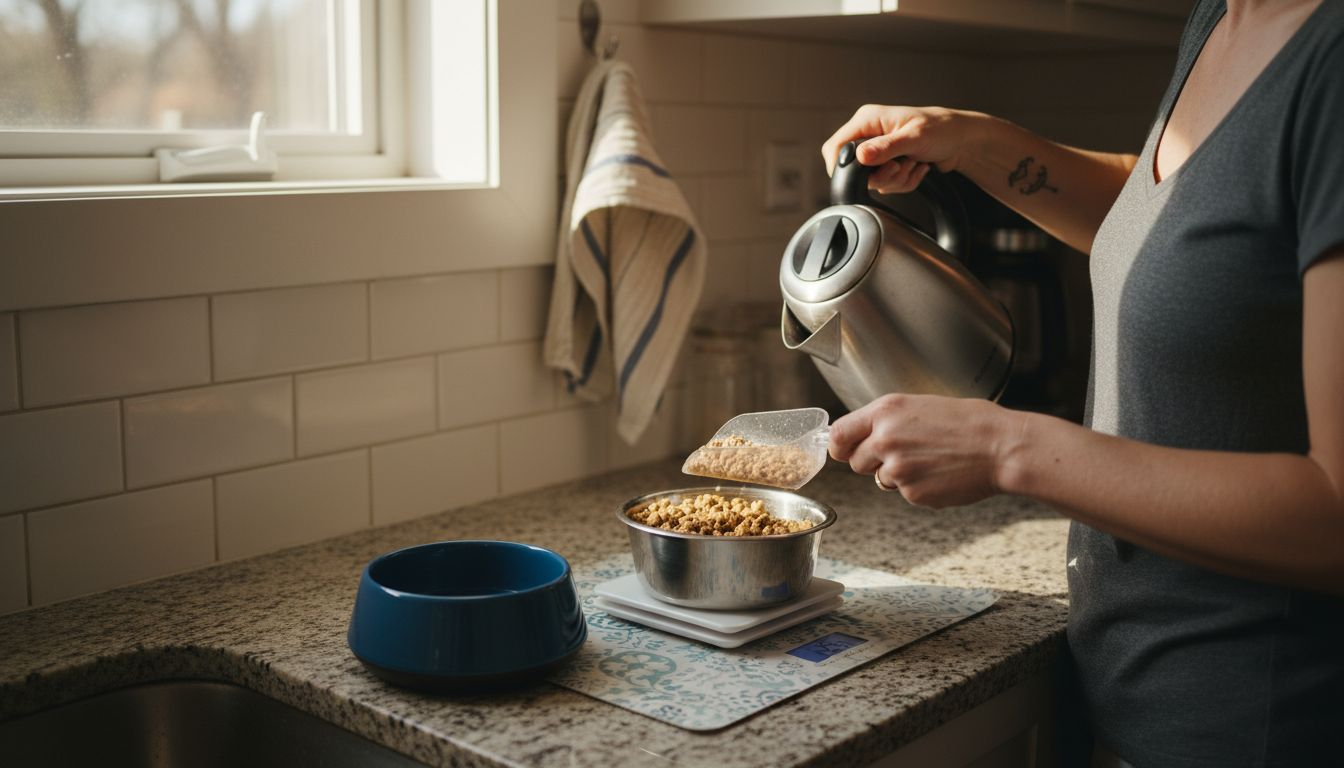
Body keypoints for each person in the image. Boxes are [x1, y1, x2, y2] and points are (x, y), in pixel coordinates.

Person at [820, 0, 1344, 765]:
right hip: (1129, 700)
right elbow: (1192, 230)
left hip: (1255, 729)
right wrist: (978, 144)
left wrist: (1010, 451)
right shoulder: (1222, 18)